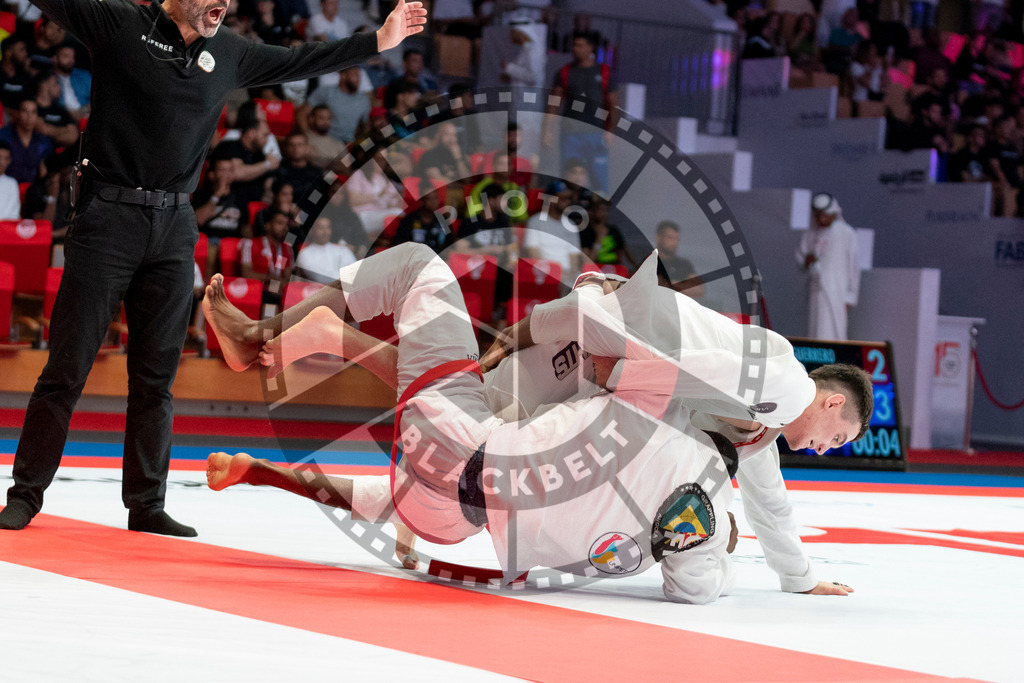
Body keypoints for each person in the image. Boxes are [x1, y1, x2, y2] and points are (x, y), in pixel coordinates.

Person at [202, 248, 866, 600]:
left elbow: (770, 500)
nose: (823, 447)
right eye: (835, 436)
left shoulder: (760, 430)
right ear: (832, 403)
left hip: (565, 387)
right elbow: (690, 365)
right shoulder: (789, 384)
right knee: (455, 399)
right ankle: (284, 335)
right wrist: (590, 339)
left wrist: (800, 575)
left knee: (454, 398)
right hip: (594, 354)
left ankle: (324, 338)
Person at [0, 0, 427, 536]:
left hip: (175, 225)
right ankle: (25, 495)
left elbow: (300, 59)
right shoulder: (120, 24)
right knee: (66, 369)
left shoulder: (229, 51)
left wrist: (378, 41)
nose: (222, 3)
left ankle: (146, 504)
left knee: (156, 377)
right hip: (107, 218)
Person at [542, 31, 618, 194]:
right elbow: (554, 102)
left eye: (580, 45)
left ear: (590, 48)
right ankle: (569, 207)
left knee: (599, 180)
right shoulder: (565, 72)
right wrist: (547, 129)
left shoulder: (604, 72)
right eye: (574, 45)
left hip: (596, 134)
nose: (575, 49)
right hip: (571, 135)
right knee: (570, 179)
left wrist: (610, 131)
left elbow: (613, 104)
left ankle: (597, 207)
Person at [796, 193, 861, 340]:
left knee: (833, 333)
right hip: (815, 290)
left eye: (825, 215)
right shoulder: (810, 233)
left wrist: (850, 298)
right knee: (814, 331)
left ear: (833, 213)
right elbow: (801, 258)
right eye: (818, 216)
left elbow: (853, 269)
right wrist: (807, 260)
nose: (821, 219)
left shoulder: (846, 233)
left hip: (837, 293)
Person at [302, 66, 371, 144]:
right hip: (325, 141)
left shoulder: (364, 99)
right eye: (354, 74)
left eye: (359, 75)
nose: (358, 79)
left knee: (373, 147)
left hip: (350, 144)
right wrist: (308, 137)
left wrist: (361, 146)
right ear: (343, 76)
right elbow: (302, 113)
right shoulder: (326, 92)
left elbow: (366, 126)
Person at [0, 98, 53, 184]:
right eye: (25, 111)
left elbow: (45, 173)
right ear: (17, 113)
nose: (29, 117)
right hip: (6, 186)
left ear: (37, 116)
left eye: (33, 112)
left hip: (33, 189)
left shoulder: (43, 141)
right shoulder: (4, 135)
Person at [295, 216, 357, 283]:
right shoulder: (305, 254)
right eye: (321, 228)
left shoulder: (342, 250)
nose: (325, 232)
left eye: (328, 227)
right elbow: (320, 278)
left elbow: (356, 272)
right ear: (311, 231)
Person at [653, 220, 704, 299]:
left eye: (677, 239)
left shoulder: (684, 265)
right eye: (670, 238)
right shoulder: (648, 262)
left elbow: (699, 290)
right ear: (659, 237)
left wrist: (672, 284)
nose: (674, 242)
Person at [52, 42, 91, 120]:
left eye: (73, 57)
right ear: (55, 59)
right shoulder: (50, 79)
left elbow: (98, 98)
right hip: (62, 119)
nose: (71, 60)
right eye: (66, 56)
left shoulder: (83, 75)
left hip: (86, 116)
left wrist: (83, 111)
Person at [0, 141, 21, 219]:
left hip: (5, 225)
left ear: (9, 161)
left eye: (6, 158)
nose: (1, 162)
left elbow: (14, 214)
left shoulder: (11, 183)